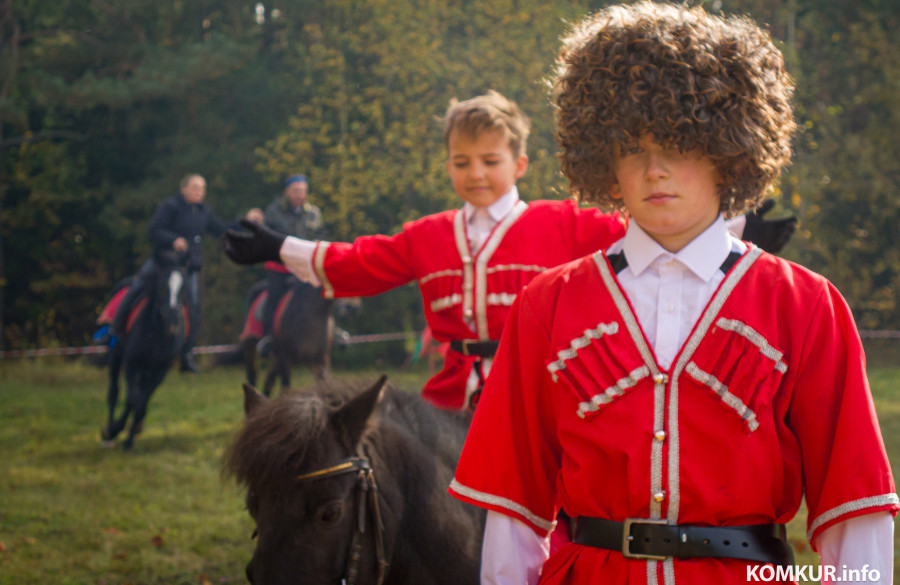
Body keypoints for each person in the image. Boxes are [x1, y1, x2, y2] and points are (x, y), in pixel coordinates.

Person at [448, 4, 897, 585]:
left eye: (679, 144)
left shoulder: (805, 304)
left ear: (727, 151)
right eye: (632, 148)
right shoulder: (547, 305)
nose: (655, 170)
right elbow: (514, 509)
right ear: (603, 159)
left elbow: (852, 506)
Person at [223, 91, 795, 410]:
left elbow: (651, 228)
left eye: (490, 161)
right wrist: (277, 245)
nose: (476, 174)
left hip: (545, 391)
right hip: (449, 397)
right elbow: (357, 263)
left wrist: (733, 229)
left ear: (518, 164)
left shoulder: (565, 222)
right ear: (447, 164)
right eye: (462, 162)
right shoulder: (426, 235)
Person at [112, 174, 263, 372]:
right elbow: (154, 230)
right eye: (195, 187)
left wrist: (247, 221)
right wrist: (173, 239)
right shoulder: (169, 207)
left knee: (193, 309)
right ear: (183, 188)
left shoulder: (204, 212)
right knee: (136, 288)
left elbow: (223, 229)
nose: (199, 192)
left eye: (202, 188)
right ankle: (114, 333)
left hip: (188, 268)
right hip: (162, 263)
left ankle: (186, 355)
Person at [256, 174, 326, 357]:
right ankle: (268, 339)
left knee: (323, 294)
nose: (300, 195)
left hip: (305, 265)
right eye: (296, 191)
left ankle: (330, 334)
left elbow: (321, 233)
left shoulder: (314, 213)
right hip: (280, 267)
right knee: (275, 297)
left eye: (303, 191)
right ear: (287, 192)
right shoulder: (273, 212)